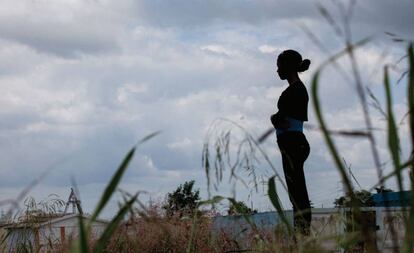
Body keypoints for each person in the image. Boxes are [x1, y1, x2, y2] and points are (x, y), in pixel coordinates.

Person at [270, 49, 311, 236]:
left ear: (287, 67)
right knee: (296, 191)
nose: (277, 70)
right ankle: (301, 231)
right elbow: (281, 118)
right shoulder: (295, 89)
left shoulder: (296, 90)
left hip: (293, 143)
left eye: (279, 66)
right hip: (292, 143)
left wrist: (274, 117)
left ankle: (302, 233)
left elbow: (282, 119)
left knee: (297, 193)